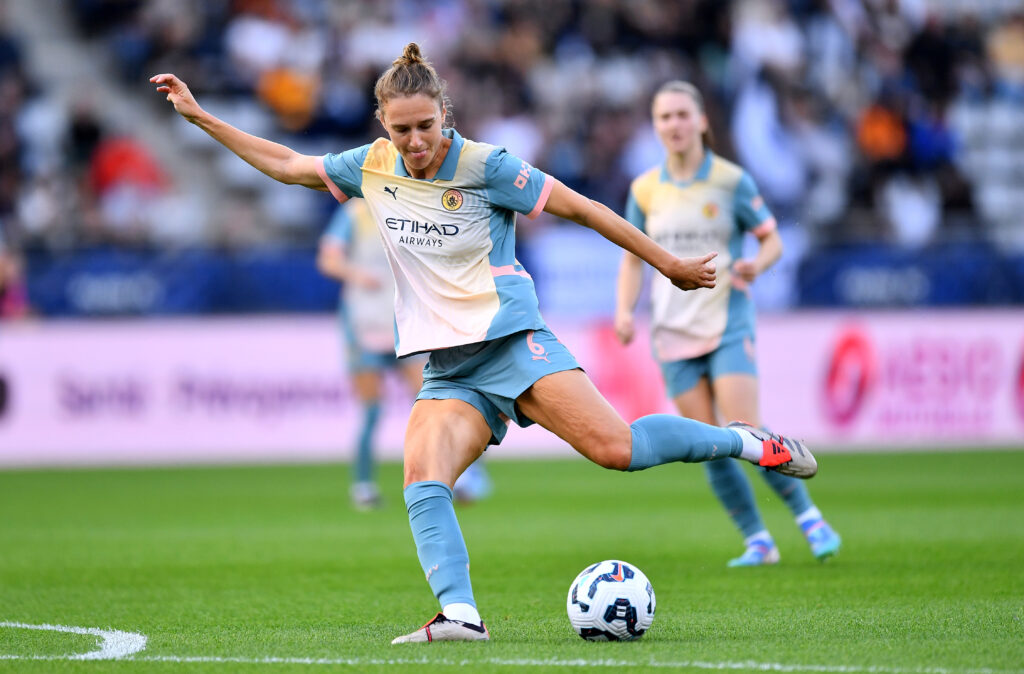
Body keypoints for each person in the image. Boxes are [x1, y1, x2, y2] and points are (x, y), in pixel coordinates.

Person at [151, 43, 818, 644]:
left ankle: (748, 442)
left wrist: (665, 264)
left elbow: (584, 209)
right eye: (400, 129)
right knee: (422, 476)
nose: (414, 142)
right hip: (448, 370)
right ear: (383, 124)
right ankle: (460, 615)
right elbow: (289, 164)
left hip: (513, 346)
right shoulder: (372, 167)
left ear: (446, 113)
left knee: (619, 450)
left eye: (425, 127)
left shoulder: (487, 165)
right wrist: (201, 117)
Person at [615, 81, 841, 568]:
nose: (673, 124)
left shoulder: (731, 181)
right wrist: (623, 312)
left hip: (727, 322)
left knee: (746, 430)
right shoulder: (645, 189)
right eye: (664, 117)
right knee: (709, 446)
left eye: (681, 115)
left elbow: (772, 239)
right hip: (672, 333)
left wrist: (758, 265)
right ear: (655, 127)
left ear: (702, 122)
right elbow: (633, 258)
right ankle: (758, 540)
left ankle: (809, 518)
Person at [317, 198, 491, 509]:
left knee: (436, 402)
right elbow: (328, 260)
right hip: (364, 323)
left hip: (404, 325)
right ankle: (364, 486)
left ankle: (465, 475)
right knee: (372, 410)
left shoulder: (410, 210)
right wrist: (358, 275)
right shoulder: (355, 213)